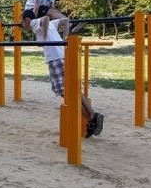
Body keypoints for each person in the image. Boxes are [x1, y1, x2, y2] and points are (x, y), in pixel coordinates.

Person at [21, 9, 103, 138]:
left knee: (63, 91)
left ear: (26, 19)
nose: (22, 24)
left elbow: (46, 18)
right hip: (62, 55)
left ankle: (91, 116)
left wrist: (43, 38)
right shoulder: (48, 25)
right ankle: (92, 118)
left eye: (22, 21)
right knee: (72, 89)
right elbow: (66, 21)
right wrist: (65, 40)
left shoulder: (35, 22)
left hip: (55, 59)